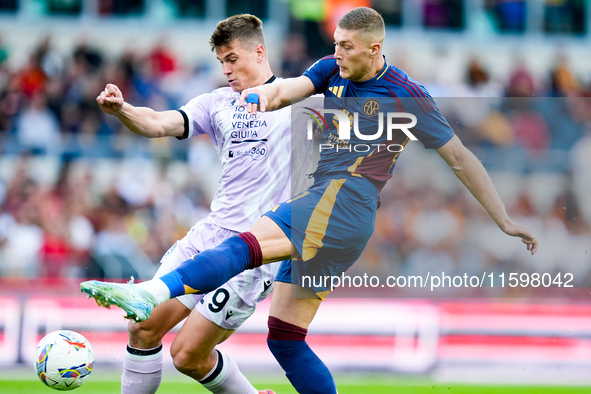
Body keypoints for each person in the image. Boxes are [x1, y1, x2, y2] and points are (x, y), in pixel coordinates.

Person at [83, 7, 539, 394]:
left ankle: (151, 291)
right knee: (283, 338)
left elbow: (459, 156)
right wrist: (260, 96)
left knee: (242, 249)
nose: (336, 52)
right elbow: (286, 89)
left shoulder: (406, 95)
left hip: (338, 205)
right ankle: (155, 299)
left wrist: (502, 219)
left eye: (345, 46)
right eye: (335, 43)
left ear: (375, 48)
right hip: (327, 221)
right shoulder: (320, 75)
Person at [90, 14, 308, 394]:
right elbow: (158, 122)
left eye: (232, 59)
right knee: (142, 326)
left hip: (257, 248)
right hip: (209, 234)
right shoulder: (217, 102)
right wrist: (123, 109)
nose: (225, 69)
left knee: (188, 356)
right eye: (220, 61)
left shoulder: (298, 101)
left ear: (259, 52)